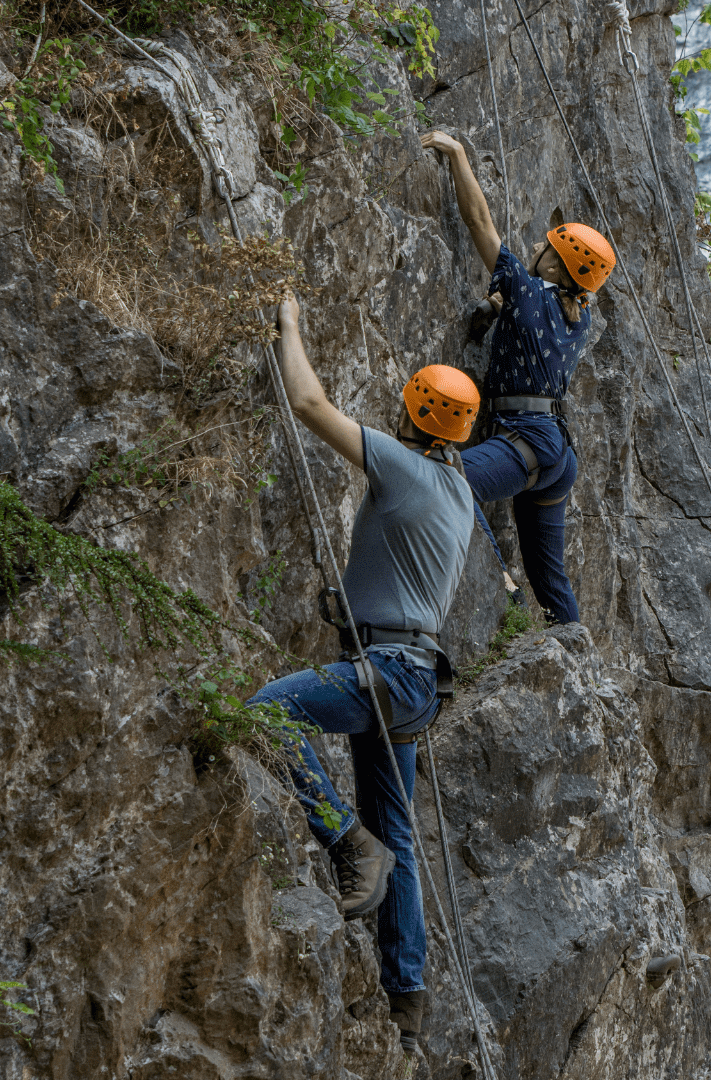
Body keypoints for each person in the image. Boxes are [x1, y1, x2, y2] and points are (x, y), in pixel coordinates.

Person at [247, 292, 481, 1055]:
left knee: (265, 712)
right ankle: (407, 999)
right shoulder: (459, 491)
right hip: (414, 683)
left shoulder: (406, 467)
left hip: (386, 670)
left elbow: (310, 404)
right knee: (403, 837)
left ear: (413, 414)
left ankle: (346, 841)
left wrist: (290, 324)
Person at [421, 129, 618, 625]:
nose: (536, 245)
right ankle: (577, 656)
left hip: (524, 440)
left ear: (555, 264)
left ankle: (498, 581)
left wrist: (458, 154)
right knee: (552, 583)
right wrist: (494, 307)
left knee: (449, 481)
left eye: (547, 246)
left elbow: (478, 221)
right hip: (555, 453)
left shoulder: (530, 293)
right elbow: (529, 319)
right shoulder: (579, 314)